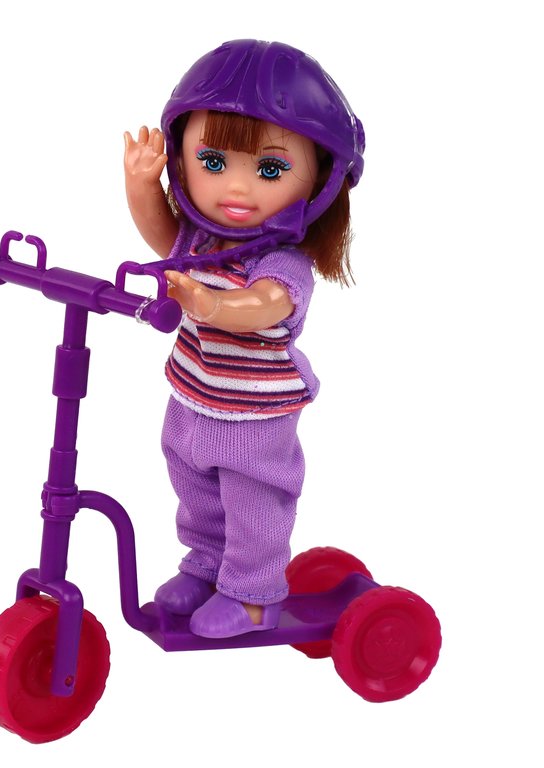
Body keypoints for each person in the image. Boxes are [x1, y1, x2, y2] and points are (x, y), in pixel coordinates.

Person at [122, 40, 365, 638]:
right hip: (193, 393)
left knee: (253, 497)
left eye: (270, 170)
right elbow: (162, 234)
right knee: (195, 485)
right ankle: (207, 566)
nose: (237, 188)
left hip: (255, 412)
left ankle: (254, 594)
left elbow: (266, 305)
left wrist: (211, 304)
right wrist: (141, 185)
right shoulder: (202, 241)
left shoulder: (280, 263)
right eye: (212, 162)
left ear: (321, 179)